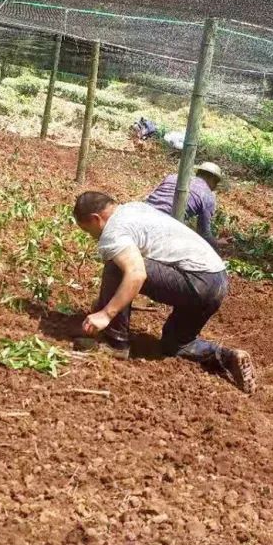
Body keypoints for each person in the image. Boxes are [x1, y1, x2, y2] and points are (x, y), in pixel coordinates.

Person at [73, 191, 256, 394]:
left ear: (95, 219)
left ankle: (115, 344)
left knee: (117, 266)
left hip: (196, 280)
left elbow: (136, 274)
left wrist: (107, 314)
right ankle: (228, 356)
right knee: (176, 344)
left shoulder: (112, 231)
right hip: (218, 279)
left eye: (88, 230)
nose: (92, 237)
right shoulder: (134, 208)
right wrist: (105, 302)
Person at [145, 162, 222, 248]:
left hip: (143, 211)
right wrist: (218, 242)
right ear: (212, 178)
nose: (215, 186)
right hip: (163, 226)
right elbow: (204, 234)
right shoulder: (207, 196)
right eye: (216, 182)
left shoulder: (173, 177)